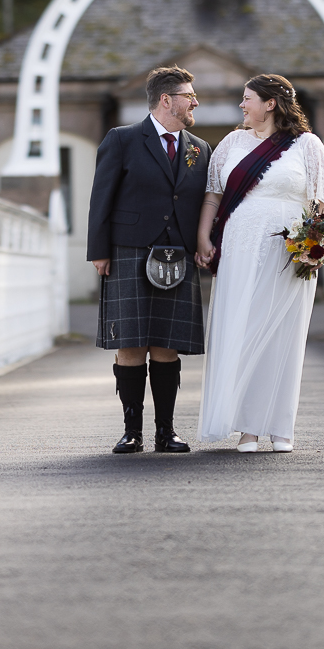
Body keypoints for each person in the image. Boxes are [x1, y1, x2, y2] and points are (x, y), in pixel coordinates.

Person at [194, 74, 324, 453]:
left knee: (282, 335)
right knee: (241, 330)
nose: (242, 106)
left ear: (270, 103)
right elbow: (213, 195)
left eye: (247, 99)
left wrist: (317, 245)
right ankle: (247, 428)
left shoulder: (307, 146)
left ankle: (279, 426)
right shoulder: (231, 143)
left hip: (287, 253)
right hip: (239, 248)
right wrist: (203, 237)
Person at [87, 66, 213, 453]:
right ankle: (131, 431)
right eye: (189, 95)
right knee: (131, 344)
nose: (195, 102)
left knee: (166, 344)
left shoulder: (199, 148)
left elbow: (199, 202)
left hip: (177, 254)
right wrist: (100, 251)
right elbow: (101, 197)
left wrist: (202, 243)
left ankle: (166, 431)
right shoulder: (122, 139)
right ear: (166, 100)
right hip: (129, 250)